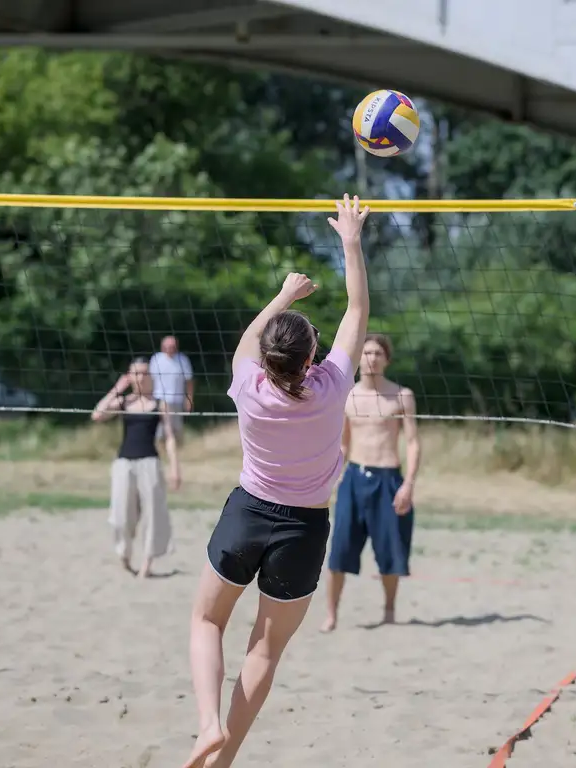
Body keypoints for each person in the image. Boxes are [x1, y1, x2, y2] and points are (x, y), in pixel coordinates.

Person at [180, 193, 370, 768]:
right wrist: (351, 243)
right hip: (305, 529)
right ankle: (225, 755)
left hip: (247, 514)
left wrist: (285, 294)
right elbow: (357, 313)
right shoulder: (333, 386)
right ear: (313, 356)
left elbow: (251, 337)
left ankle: (207, 724)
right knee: (264, 647)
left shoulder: (248, 386)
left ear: (266, 361)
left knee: (206, 620)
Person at [320, 333, 421, 633]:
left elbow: (413, 442)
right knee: (339, 551)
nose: (372, 358)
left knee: (391, 552)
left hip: (389, 477)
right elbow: (342, 445)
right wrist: (328, 480)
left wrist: (409, 484)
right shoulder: (348, 395)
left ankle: (389, 610)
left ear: (387, 359)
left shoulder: (402, 395)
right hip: (353, 478)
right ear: (359, 358)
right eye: (367, 353)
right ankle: (331, 615)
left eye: (378, 353)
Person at [92, 357, 181, 579]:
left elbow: (169, 437)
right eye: (136, 373)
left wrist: (175, 468)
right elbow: (97, 415)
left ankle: (147, 564)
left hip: (149, 463)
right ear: (129, 377)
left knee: (153, 515)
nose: (140, 377)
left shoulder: (160, 403)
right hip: (124, 463)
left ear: (150, 376)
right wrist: (117, 388)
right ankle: (124, 555)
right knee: (121, 516)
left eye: (144, 373)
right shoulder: (124, 402)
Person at [149, 335, 194, 445]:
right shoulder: (156, 359)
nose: (170, 349)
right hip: (160, 398)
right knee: (160, 428)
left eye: (172, 346)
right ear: (162, 347)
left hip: (177, 399)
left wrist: (189, 399)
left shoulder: (183, 360)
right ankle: (161, 450)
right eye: (167, 346)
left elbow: (189, 381)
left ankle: (177, 450)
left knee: (177, 427)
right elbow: (150, 380)